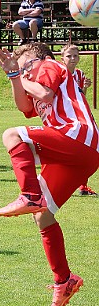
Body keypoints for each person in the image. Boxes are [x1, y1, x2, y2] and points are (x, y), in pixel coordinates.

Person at [0, 42, 99, 306]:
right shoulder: (31, 75)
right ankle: (64, 280)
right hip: (76, 155)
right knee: (42, 217)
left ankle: (29, 195)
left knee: (11, 135)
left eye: (23, 57)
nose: (20, 61)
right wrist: (14, 76)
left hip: (77, 137)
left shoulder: (49, 64)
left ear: (38, 56)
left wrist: (20, 73)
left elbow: (45, 93)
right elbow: (23, 106)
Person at [60, 44, 97, 196]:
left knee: (87, 149)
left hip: (80, 117)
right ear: (62, 59)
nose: (73, 59)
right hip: (63, 119)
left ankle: (83, 186)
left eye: (75, 56)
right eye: (69, 56)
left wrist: (85, 88)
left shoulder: (80, 75)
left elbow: (80, 97)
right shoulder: (59, 74)